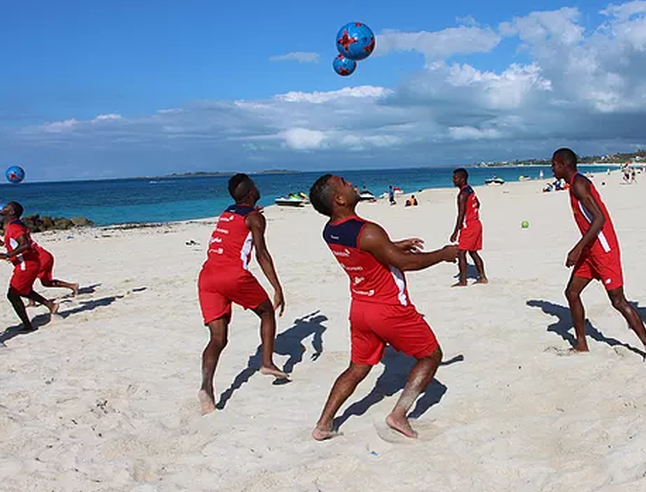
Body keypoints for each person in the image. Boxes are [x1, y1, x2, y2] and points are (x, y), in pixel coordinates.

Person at [308, 174, 459, 440]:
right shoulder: (368, 230)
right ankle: (399, 414)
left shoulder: (329, 230)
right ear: (339, 199)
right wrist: (442, 255)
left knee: (357, 367)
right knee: (431, 355)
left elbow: (363, 250)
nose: (352, 184)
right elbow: (404, 263)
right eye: (344, 183)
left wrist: (392, 246)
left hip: (360, 308)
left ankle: (323, 424)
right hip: (388, 308)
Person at [551, 149, 646, 360]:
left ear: (564, 165)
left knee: (618, 300)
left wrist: (576, 248)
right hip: (590, 250)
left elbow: (599, 218)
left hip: (603, 250)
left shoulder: (578, 184)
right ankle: (581, 345)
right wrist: (582, 249)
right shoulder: (572, 185)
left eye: (554, 164)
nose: (552, 168)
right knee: (572, 293)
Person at [197, 174, 288, 415]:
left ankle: (206, 388)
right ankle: (267, 363)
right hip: (232, 275)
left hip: (207, 277)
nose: (258, 188)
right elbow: (262, 254)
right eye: (255, 186)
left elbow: (241, 218)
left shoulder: (227, 212)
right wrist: (277, 287)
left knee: (218, 338)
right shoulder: (254, 218)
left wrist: (253, 214)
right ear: (249, 193)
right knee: (267, 312)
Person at [0, 202, 59, 331]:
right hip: (27, 263)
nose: (2, 208)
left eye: (6, 208)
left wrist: (7, 255)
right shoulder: (14, 225)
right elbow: (16, 244)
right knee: (24, 290)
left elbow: (25, 244)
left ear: (11, 212)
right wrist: (2, 244)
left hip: (26, 265)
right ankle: (50, 305)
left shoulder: (14, 227)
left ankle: (28, 325)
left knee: (13, 294)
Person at [449, 168, 488, 286]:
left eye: (455, 178)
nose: (453, 180)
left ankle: (463, 281)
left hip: (469, 226)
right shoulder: (470, 190)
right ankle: (482, 277)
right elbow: (478, 204)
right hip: (476, 224)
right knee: (473, 252)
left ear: (462, 179)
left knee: (461, 253)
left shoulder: (462, 194)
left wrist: (455, 232)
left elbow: (460, 215)